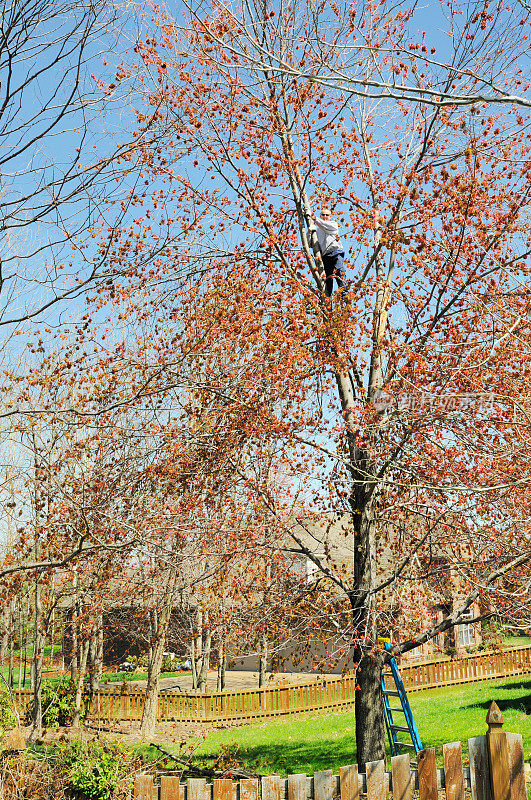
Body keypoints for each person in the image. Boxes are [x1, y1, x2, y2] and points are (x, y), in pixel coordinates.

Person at [314, 207, 346, 297]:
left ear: (330, 216)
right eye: (323, 215)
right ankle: (327, 298)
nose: (325, 216)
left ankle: (344, 291)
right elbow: (310, 243)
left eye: (327, 215)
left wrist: (316, 220)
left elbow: (325, 226)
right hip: (325, 256)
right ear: (320, 215)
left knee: (339, 270)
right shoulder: (317, 230)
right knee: (328, 278)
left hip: (336, 252)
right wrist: (310, 231)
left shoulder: (333, 224)